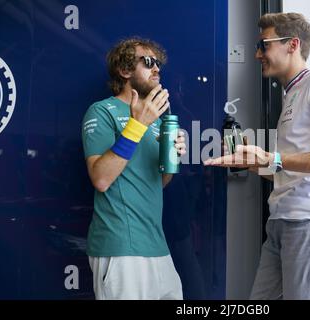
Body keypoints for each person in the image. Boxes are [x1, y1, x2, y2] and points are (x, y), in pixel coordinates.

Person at [205, 13, 310, 299]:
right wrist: (257, 164)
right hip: (282, 222)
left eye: (263, 45)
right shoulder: (292, 94)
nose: (256, 54)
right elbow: (287, 168)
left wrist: (272, 159)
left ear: (292, 44)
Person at [81, 37, 187, 299]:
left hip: (156, 245)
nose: (156, 69)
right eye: (148, 62)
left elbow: (157, 182)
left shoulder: (156, 120)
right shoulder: (102, 111)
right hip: (120, 248)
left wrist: (172, 158)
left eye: (158, 64)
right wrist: (137, 126)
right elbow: (101, 178)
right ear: (125, 70)